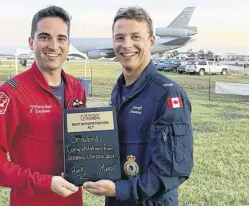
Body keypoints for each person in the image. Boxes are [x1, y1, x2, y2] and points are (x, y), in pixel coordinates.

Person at [83, 6, 194, 206]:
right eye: (119, 37)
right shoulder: (118, 90)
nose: (127, 45)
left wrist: (120, 189)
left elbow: (174, 171)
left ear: (151, 42)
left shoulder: (167, 95)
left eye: (136, 37)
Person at [0, 6, 86, 206]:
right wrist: (43, 182)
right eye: (45, 37)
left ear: (68, 44)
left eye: (61, 38)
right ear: (31, 42)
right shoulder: (10, 93)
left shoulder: (77, 88)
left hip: (73, 200)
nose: (53, 46)